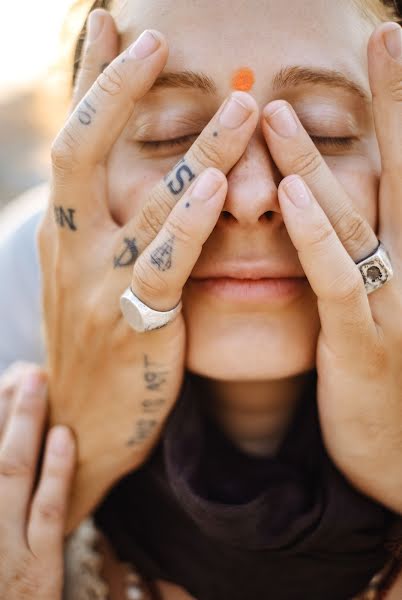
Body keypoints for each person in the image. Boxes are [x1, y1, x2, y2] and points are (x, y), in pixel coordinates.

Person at [0, 0, 402, 598]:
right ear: (91, 172)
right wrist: (76, 452)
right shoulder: (17, 290)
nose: (246, 194)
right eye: (174, 136)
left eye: (323, 133)